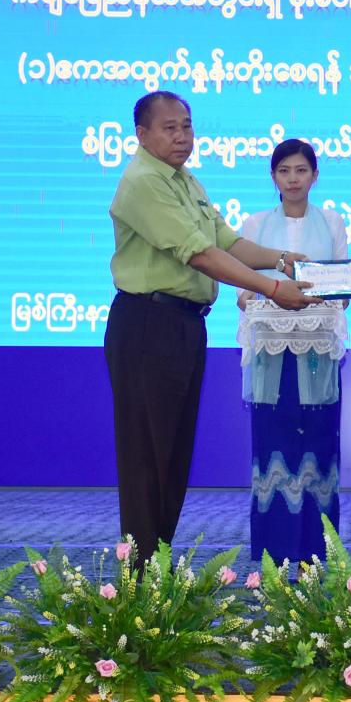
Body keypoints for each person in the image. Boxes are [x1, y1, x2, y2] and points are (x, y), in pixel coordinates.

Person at [105, 91, 318, 559]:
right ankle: (139, 575)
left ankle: (158, 565)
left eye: (187, 126)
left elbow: (226, 241)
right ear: (141, 134)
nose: (183, 136)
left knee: (173, 453)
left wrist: (283, 259)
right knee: (147, 457)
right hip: (147, 324)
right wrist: (273, 288)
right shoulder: (143, 182)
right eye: (170, 128)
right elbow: (200, 254)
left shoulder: (184, 180)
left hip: (183, 325)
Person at [235, 138, 350, 564]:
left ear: (315, 176)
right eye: (284, 171)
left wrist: (330, 296)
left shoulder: (333, 222)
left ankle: (316, 555)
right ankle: (274, 555)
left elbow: (343, 289)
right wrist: (256, 297)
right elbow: (243, 288)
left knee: (318, 445)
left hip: (317, 351)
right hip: (272, 352)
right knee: (273, 448)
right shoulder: (254, 225)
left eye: (301, 170)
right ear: (273, 177)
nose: (293, 179)